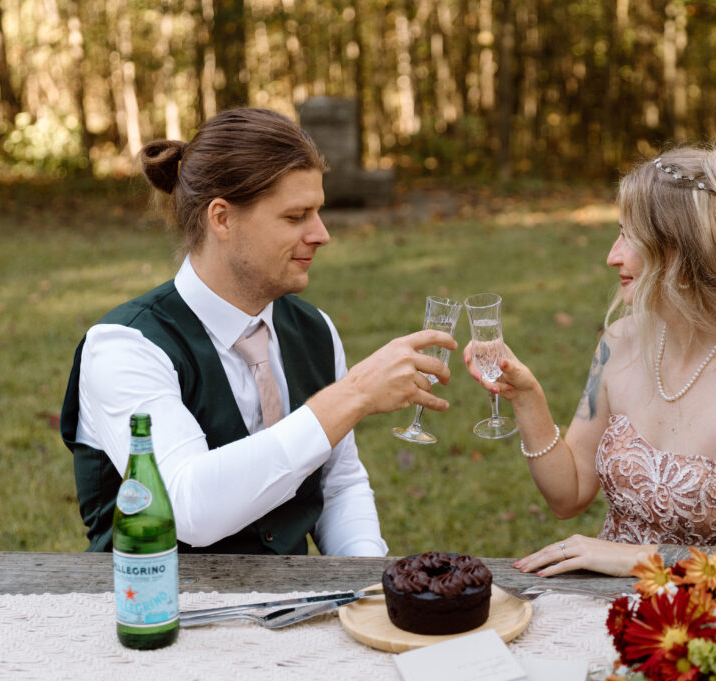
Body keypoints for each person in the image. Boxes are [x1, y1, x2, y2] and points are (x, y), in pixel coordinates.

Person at [61, 107, 455, 554]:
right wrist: (354, 395)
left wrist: (364, 585)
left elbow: (340, 486)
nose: (321, 233)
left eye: (318, 212)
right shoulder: (124, 346)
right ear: (222, 219)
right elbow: (187, 509)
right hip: (157, 613)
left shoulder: (314, 331)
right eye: (295, 216)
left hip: (293, 613)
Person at [465, 141, 716, 577]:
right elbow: (569, 495)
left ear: (680, 249)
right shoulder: (619, 342)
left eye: (628, 236)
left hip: (714, 620)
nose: (612, 255)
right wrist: (527, 396)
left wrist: (642, 560)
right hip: (607, 607)